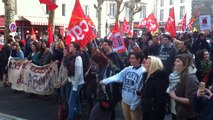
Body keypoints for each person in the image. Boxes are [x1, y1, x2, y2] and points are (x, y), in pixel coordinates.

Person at [100, 52, 146, 120]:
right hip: (125, 101)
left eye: (133, 58)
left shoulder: (143, 72)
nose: (130, 60)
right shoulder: (128, 69)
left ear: (139, 59)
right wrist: (105, 81)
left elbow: (140, 91)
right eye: (130, 58)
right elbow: (118, 76)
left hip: (135, 104)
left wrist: (134, 105)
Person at [89, 52, 120, 120]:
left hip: (108, 98)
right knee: (109, 115)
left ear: (99, 61)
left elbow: (116, 85)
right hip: (102, 96)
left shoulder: (112, 69)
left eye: (94, 63)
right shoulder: (100, 68)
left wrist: (113, 100)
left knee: (94, 115)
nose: (94, 65)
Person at [169, 54, 199, 120]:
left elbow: (191, 101)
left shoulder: (190, 78)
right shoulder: (178, 75)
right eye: (175, 61)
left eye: (178, 61)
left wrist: (174, 97)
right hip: (179, 112)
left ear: (185, 64)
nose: (174, 63)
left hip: (187, 115)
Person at [141, 56, 169, 120]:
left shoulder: (160, 78)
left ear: (153, 65)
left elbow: (160, 99)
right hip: (147, 109)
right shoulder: (147, 75)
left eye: (147, 63)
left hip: (155, 112)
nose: (144, 64)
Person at [66, 42, 84, 120]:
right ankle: (78, 113)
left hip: (77, 83)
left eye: (71, 46)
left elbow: (78, 73)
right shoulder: (71, 57)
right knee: (76, 100)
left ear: (75, 48)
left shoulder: (78, 58)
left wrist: (75, 86)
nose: (69, 47)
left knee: (71, 101)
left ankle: (70, 118)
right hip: (73, 81)